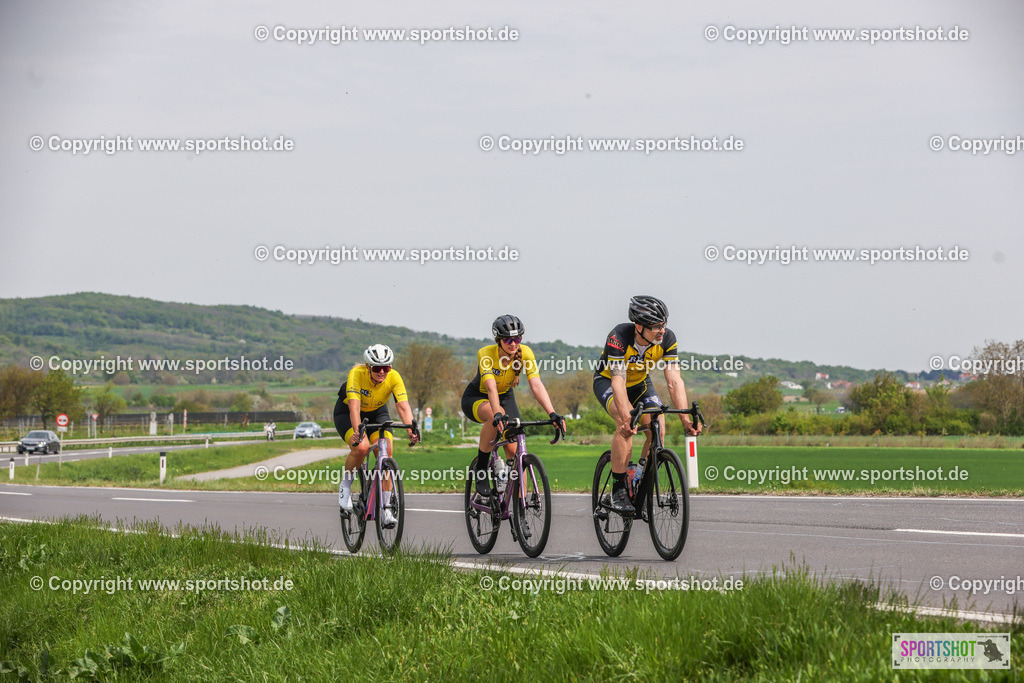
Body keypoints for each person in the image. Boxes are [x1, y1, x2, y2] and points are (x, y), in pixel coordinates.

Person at [593, 295, 702, 514]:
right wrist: (627, 419)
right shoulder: (619, 336)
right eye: (655, 327)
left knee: (659, 427)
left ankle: (640, 477)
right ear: (639, 327)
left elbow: (674, 381)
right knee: (626, 428)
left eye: (663, 325)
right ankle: (618, 490)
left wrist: (685, 420)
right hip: (610, 381)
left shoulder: (668, 339)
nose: (661, 331)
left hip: (641, 383)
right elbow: (618, 380)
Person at [461, 315, 565, 496]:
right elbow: (491, 388)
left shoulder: (525, 353)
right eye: (507, 339)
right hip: (477, 396)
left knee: (515, 448)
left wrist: (552, 413)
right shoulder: (485, 353)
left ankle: (520, 506)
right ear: (498, 340)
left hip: (506, 395)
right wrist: (497, 414)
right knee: (497, 415)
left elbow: (536, 385)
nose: (513, 343)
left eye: (517, 339)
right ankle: (481, 469)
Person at [334, 344, 419, 528]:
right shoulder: (356, 374)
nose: (382, 372)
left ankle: (386, 509)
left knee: (386, 452)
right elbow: (354, 408)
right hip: (347, 412)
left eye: (386, 368)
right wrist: (358, 431)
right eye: (377, 368)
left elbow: (403, 406)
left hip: (378, 412)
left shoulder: (394, 377)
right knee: (362, 448)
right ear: (368, 367)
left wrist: (411, 429)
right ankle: (345, 487)